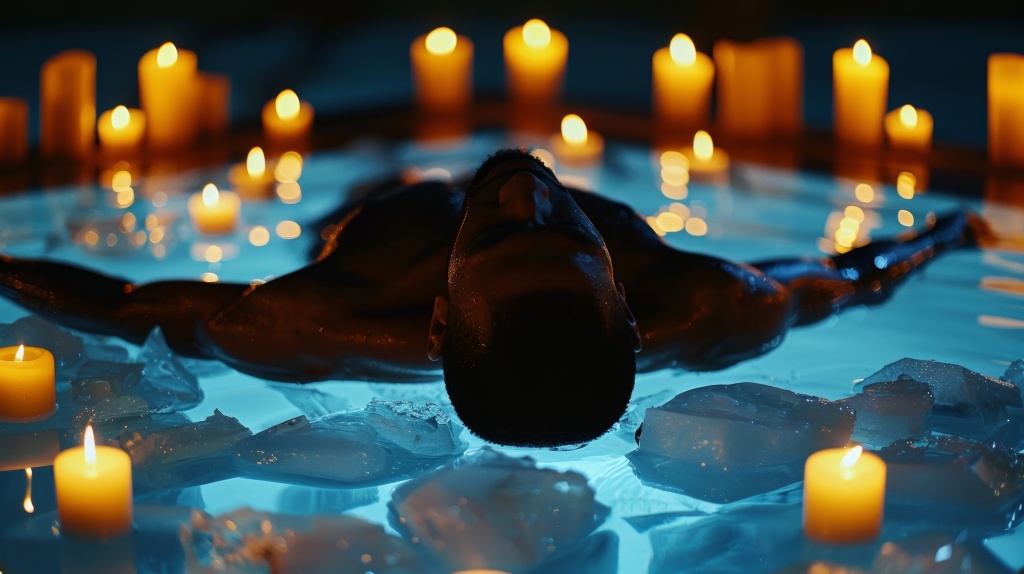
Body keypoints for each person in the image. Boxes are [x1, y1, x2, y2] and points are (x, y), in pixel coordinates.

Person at [0, 148, 990, 447]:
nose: (525, 192)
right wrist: (951, 229)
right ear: (629, 311)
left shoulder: (304, 318)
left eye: (512, 236)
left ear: (439, 315)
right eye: (555, 235)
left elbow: (122, 298)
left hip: (370, 213)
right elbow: (859, 279)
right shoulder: (718, 308)